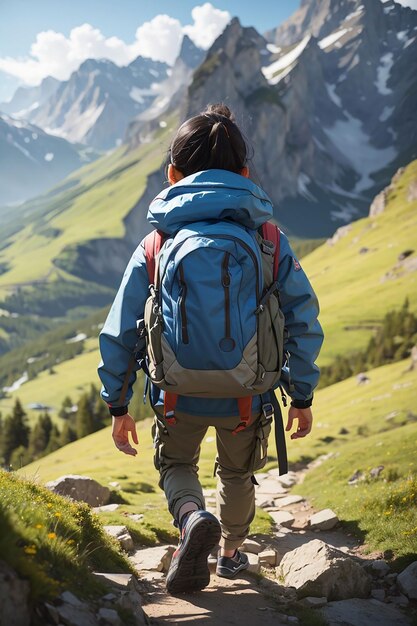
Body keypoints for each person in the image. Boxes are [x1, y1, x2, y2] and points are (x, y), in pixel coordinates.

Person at [98, 103, 324, 594]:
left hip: (175, 394)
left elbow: (119, 330)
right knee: (239, 473)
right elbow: (303, 320)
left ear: (172, 174)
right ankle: (229, 554)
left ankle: (191, 518)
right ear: (245, 174)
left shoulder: (156, 244)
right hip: (246, 395)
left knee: (176, 465)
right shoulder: (269, 241)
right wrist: (301, 395)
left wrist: (118, 403)